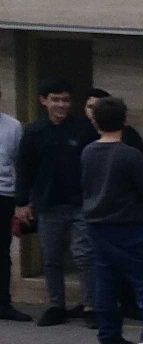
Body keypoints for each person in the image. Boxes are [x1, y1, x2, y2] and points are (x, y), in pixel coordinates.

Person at [78, 97, 143, 344]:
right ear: (124, 121)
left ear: (95, 122)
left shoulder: (88, 152)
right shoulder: (130, 154)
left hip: (97, 224)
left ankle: (110, 337)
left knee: (106, 280)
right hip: (127, 224)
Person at [16, 78, 98, 326]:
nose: (61, 105)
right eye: (55, 100)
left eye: (66, 100)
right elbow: (24, 168)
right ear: (44, 101)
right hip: (48, 204)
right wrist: (23, 203)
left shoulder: (83, 129)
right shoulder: (34, 132)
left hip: (80, 202)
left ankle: (90, 306)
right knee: (51, 257)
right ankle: (56, 305)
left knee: (84, 255)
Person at [0, 90, 22, 321]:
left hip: (4, 193)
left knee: (2, 252)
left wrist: (21, 200)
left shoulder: (13, 126)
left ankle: (3, 303)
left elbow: (18, 162)